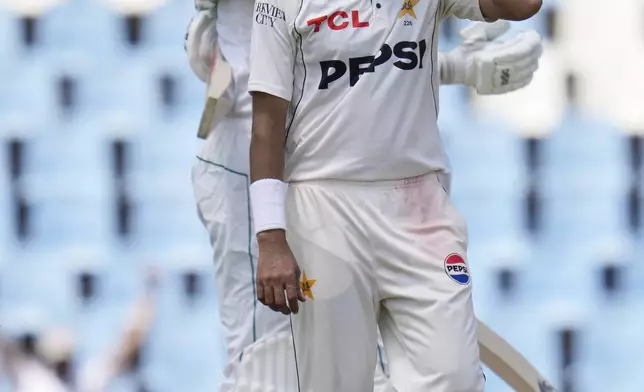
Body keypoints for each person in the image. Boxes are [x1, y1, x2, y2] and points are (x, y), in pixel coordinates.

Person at [187, 0, 542, 390]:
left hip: (391, 165)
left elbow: (360, 40)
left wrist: (453, 66)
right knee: (270, 370)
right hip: (270, 169)